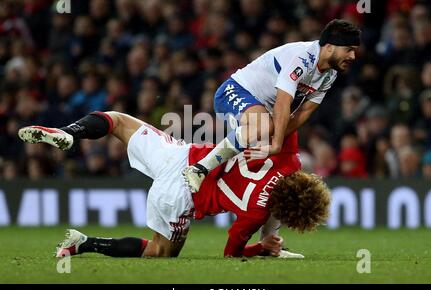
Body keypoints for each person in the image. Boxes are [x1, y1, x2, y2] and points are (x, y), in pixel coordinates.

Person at [18, 111, 331, 258]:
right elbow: (231, 253)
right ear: (290, 216)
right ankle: (83, 243)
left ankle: (71, 131)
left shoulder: (289, 160)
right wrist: (261, 248)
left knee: (116, 121)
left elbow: (288, 120)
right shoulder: (256, 215)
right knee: (159, 253)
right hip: (181, 194)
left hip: (181, 155)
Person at [183, 19, 361, 193]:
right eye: (349, 50)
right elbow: (283, 102)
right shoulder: (303, 58)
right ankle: (199, 169)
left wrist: (279, 138)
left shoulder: (330, 74)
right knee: (265, 126)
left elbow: (305, 111)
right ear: (329, 47)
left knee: (285, 153)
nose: (353, 56)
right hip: (233, 92)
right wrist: (275, 143)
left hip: (264, 111)